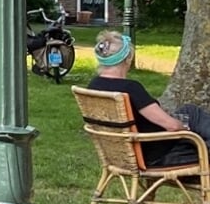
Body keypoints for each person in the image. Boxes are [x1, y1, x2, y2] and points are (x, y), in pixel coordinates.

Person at [86, 30, 210, 165]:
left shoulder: (94, 85)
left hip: (126, 152)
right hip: (158, 155)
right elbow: (173, 126)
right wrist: (187, 131)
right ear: (128, 59)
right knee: (193, 124)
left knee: (190, 111)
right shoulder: (130, 88)